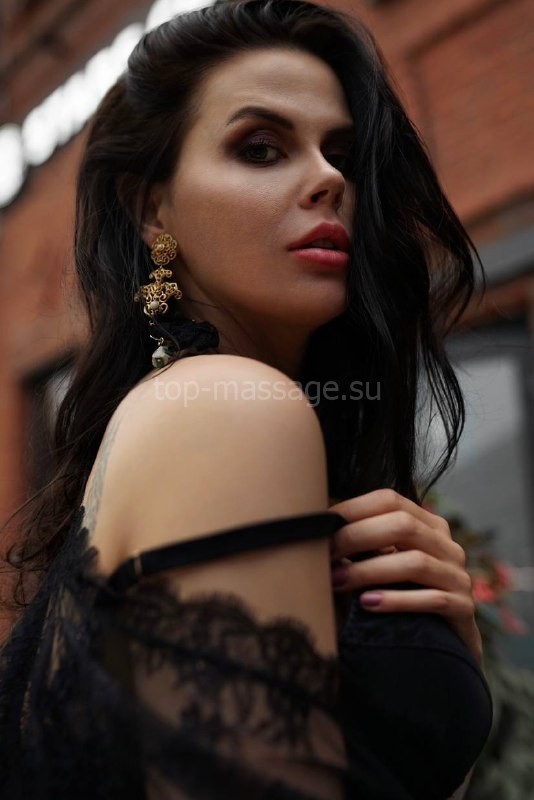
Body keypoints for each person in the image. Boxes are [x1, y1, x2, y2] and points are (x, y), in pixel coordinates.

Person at [0, 0, 492, 797]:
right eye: (260, 148)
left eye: (342, 154)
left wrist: (445, 686)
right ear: (152, 208)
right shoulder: (229, 408)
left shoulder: (185, 420)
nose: (329, 179)